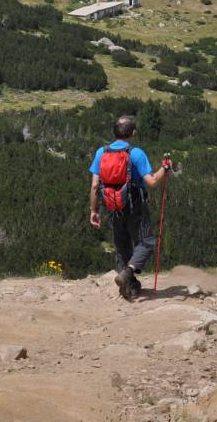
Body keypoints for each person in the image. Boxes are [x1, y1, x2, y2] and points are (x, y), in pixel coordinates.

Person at [88, 115, 171, 300]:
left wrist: (94, 211)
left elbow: (95, 185)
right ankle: (128, 273)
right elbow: (151, 182)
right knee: (146, 242)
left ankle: (129, 287)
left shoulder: (102, 152)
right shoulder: (136, 153)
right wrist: (164, 169)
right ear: (133, 133)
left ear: (114, 132)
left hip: (112, 205)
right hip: (135, 205)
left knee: (121, 245)